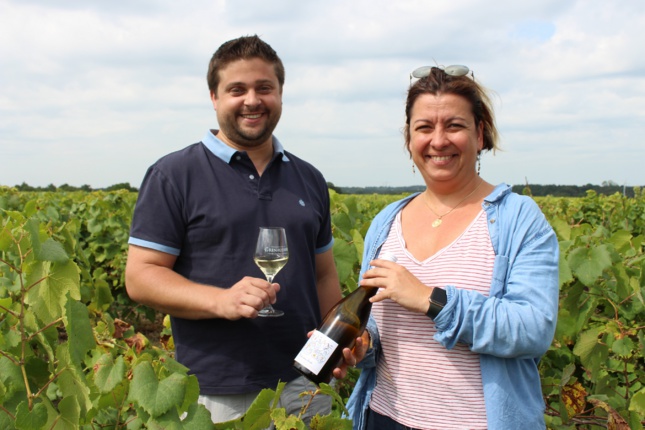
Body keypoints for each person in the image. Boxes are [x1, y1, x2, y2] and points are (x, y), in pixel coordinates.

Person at [124, 35, 343, 425]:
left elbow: (324, 275)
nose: (252, 100)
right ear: (214, 97)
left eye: (264, 88)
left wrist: (332, 356)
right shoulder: (174, 175)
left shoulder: (309, 178)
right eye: (236, 89)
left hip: (306, 383)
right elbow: (140, 278)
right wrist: (220, 301)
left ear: (280, 94)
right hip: (218, 388)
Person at [341, 65, 560, 429]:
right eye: (424, 127)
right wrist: (363, 345)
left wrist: (432, 299)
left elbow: (533, 329)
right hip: (384, 417)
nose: (438, 140)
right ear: (409, 140)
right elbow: (383, 329)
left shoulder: (518, 219)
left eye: (454, 126)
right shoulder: (385, 222)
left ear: (480, 135)